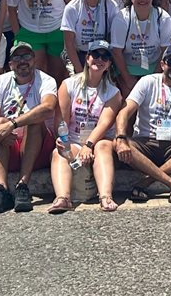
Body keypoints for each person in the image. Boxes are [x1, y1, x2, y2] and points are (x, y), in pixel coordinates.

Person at [114, 47, 171, 204]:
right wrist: (121, 137)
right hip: (146, 142)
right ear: (163, 64)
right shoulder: (147, 82)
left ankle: (147, 181)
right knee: (116, 143)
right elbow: (124, 112)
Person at [46, 40, 123, 213]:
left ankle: (105, 197)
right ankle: (63, 198)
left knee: (103, 146)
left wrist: (89, 145)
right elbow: (62, 119)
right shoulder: (68, 85)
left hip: (97, 141)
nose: (99, 60)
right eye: (95, 55)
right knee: (60, 152)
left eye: (105, 57)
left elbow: (105, 122)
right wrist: (63, 140)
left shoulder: (113, 92)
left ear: (109, 64)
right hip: (73, 140)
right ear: (87, 58)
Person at [0, 43, 59, 214]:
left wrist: (13, 124)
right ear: (10, 64)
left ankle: (22, 185)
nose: (22, 61)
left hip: (36, 147)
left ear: (34, 59)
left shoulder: (46, 80)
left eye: (26, 57)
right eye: (17, 58)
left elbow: (48, 107)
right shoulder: (0, 81)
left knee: (34, 121)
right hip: (8, 146)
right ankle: (1, 189)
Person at [111, 0, 171, 95]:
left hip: (154, 67)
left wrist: (154, 78)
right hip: (127, 67)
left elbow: (166, 51)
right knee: (128, 96)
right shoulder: (122, 18)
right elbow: (116, 52)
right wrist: (127, 78)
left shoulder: (163, 18)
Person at [61, 0, 123, 73]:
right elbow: (69, 43)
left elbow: (115, 38)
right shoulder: (72, 7)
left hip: (103, 55)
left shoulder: (112, 6)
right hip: (80, 54)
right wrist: (80, 71)